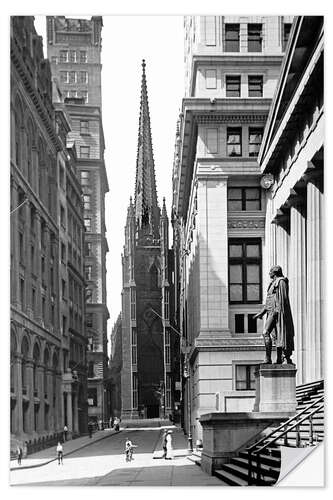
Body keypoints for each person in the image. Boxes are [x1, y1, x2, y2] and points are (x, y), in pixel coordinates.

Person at [253, 265, 295, 364]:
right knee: (275, 336)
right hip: (271, 312)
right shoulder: (273, 283)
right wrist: (261, 313)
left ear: (275, 272)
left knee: (266, 333)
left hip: (277, 313)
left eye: (270, 271)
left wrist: (278, 313)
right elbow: (269, 301)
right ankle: (277, 358)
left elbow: (283, 300)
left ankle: (270, 358)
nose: (269, 273)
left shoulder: (281, 282)